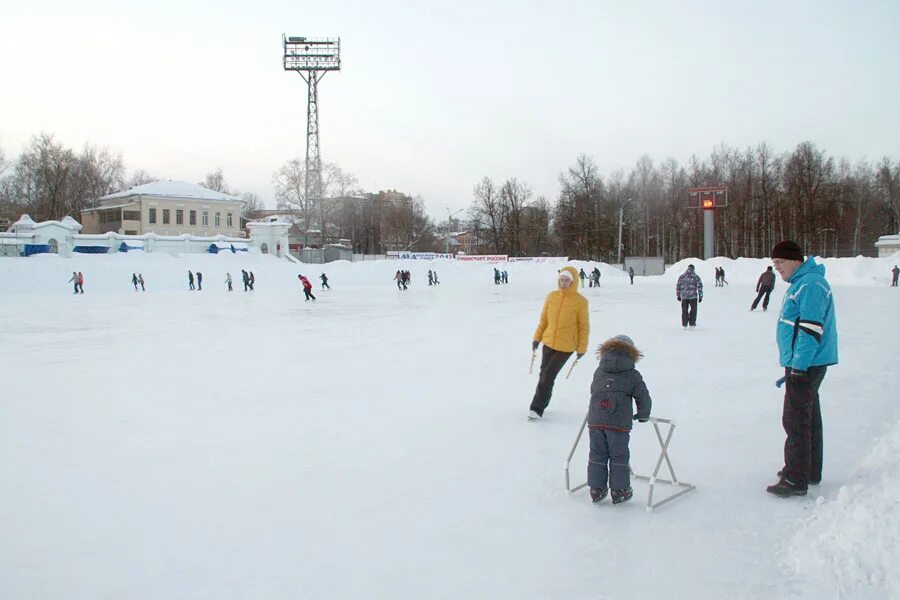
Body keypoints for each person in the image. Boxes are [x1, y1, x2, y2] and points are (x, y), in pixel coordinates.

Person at [767, 241, 839, 498]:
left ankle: (795, 477)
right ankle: (808, 469)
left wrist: (798, 365)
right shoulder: (803, 283)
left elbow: (810, 328)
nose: (778, 269)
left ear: (794, 260)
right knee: (808, 416)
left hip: (806, 363)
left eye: (780, 263)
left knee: (795, 418)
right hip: (805, 361)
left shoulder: (809, 285)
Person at [587, 335, 652, 505]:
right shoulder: (632, 374)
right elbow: (642, 396)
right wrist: (643, 414)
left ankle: (596, 488)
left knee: (597, 454)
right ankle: (619, 490)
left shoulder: (599, 371)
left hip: (595, 418)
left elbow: (593, 389)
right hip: (618, 423)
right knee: (618, 456)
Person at [528, 266, 590, 420]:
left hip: (566, 346)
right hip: (548, 342)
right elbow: (544, 320)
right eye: (561, 280)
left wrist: (582, 348)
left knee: (548, 375)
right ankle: (543, 402)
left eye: (567, 280)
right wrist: (537, 338)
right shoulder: (551, 297)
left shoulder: (580, 302)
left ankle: (536, 408)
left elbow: (584, 327)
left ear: (573, 281)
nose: (563, 283)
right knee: (544, 374)